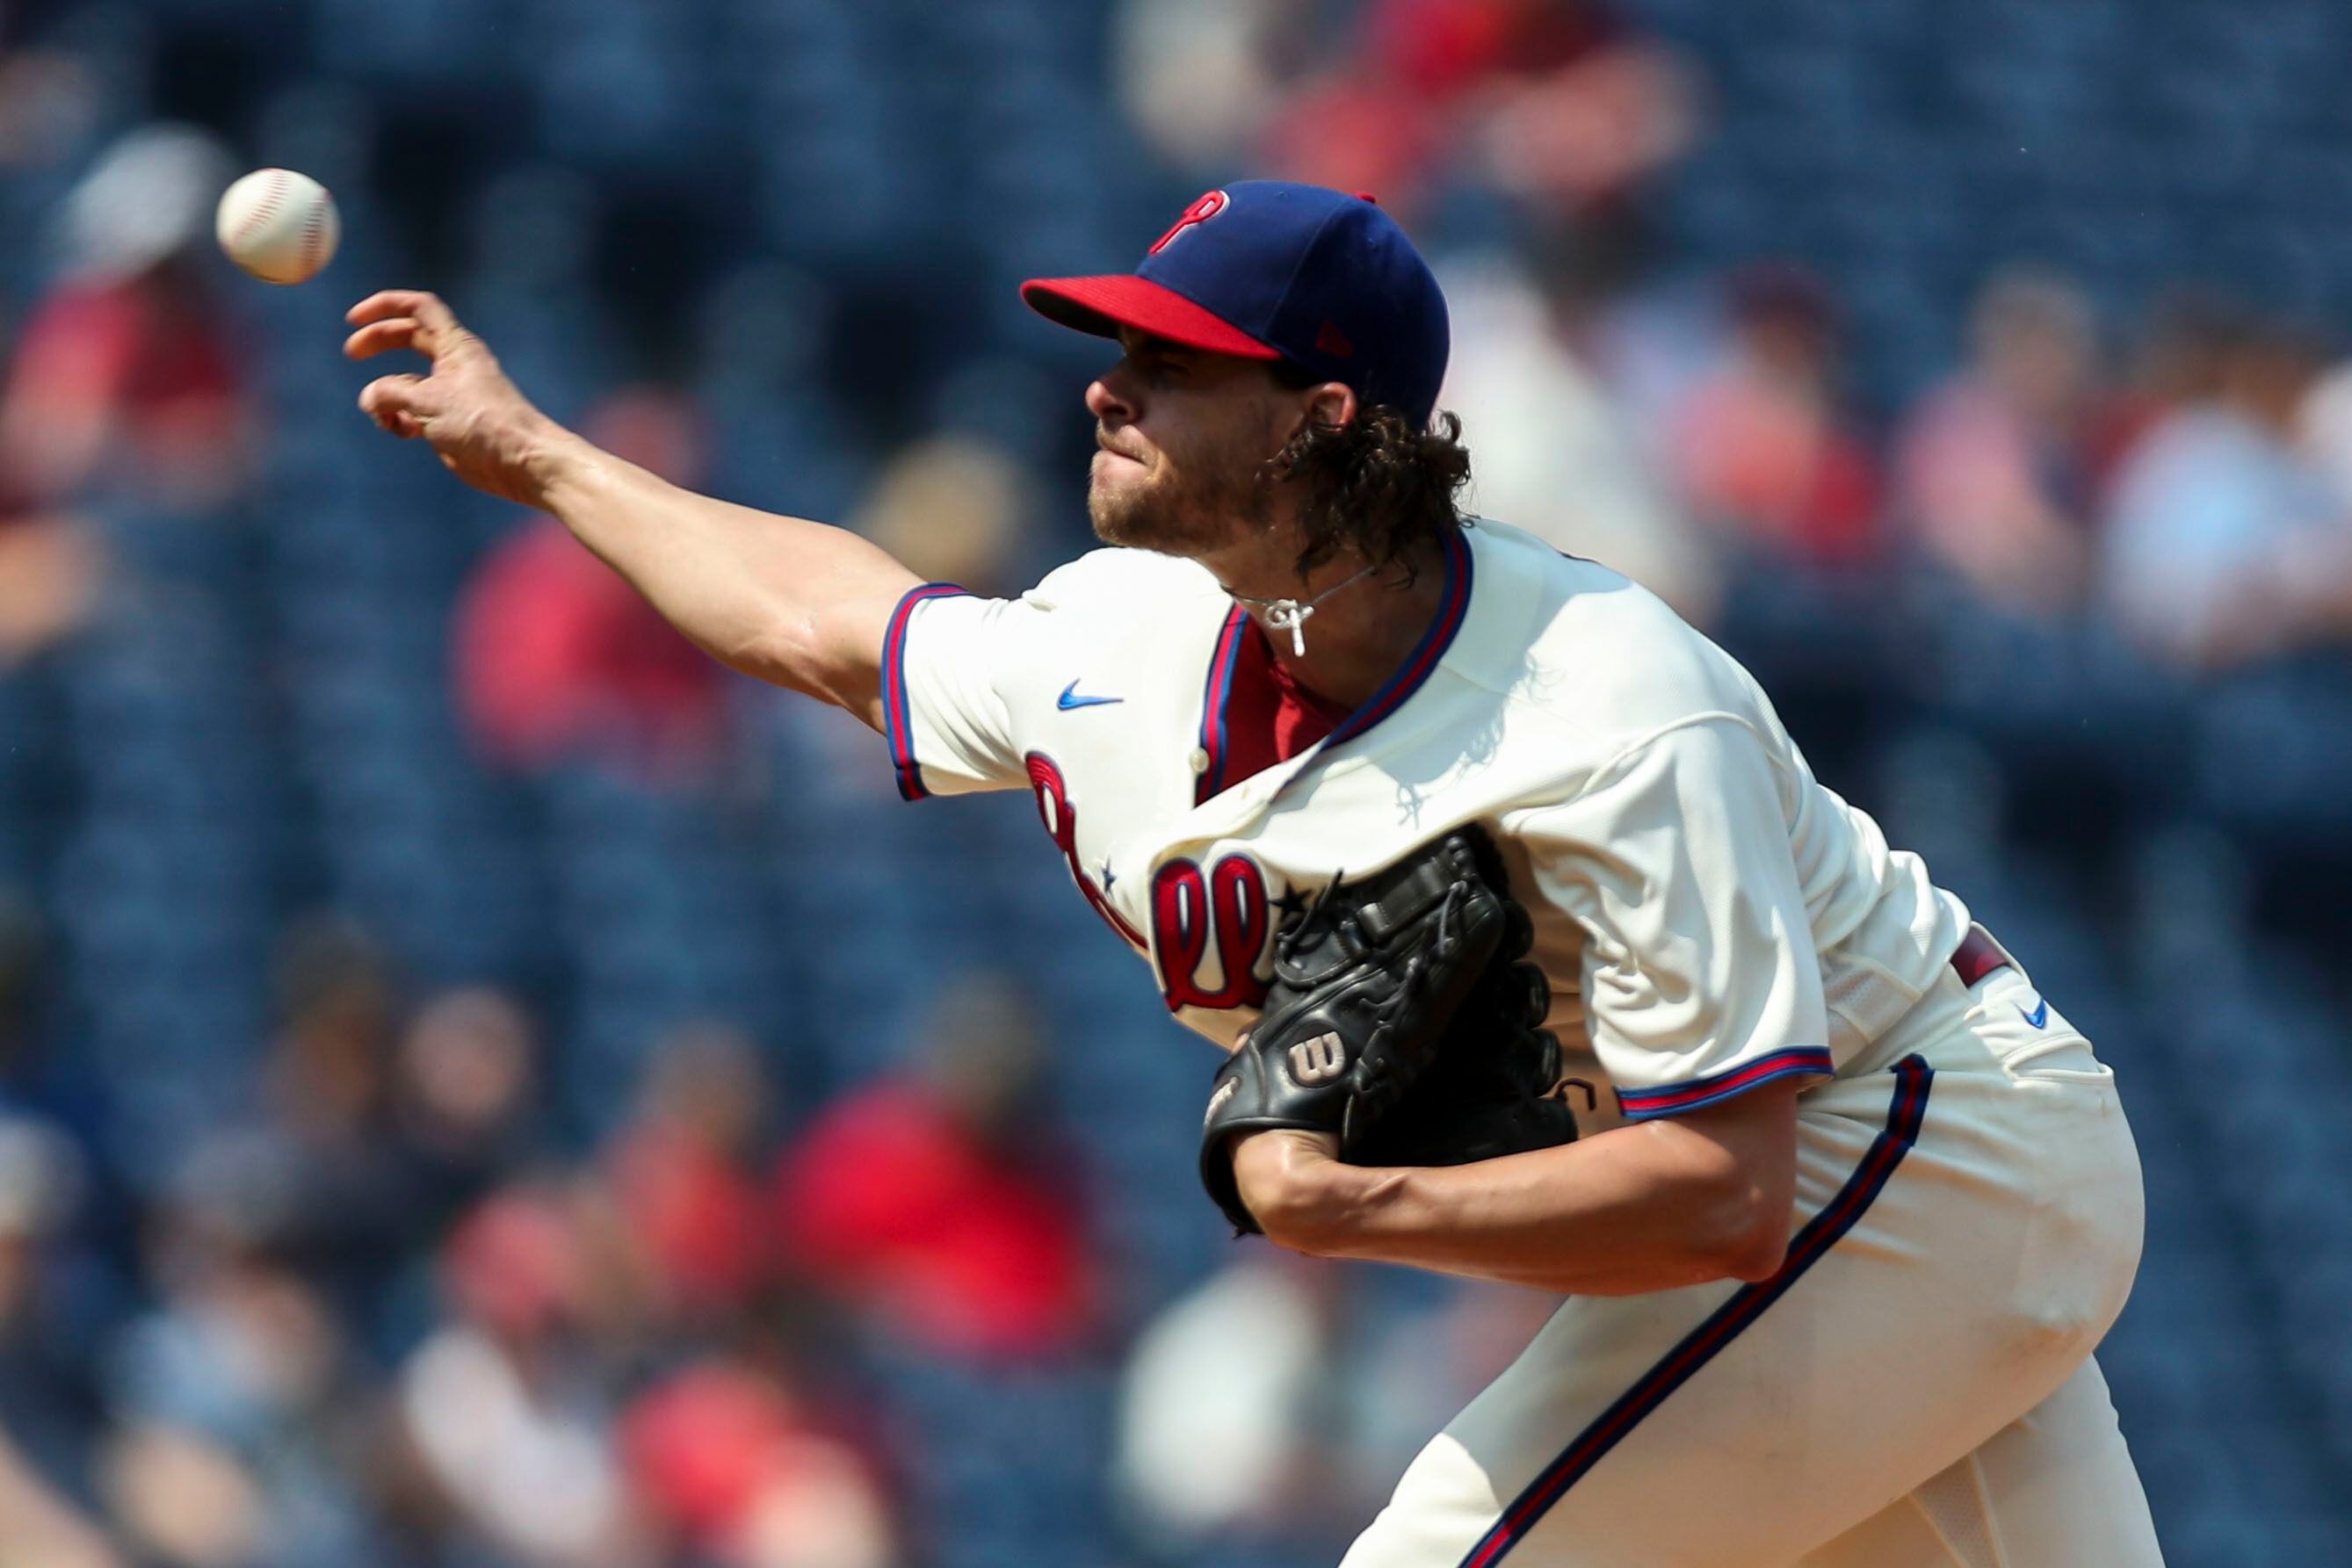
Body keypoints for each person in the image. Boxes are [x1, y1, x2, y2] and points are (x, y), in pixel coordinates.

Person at [344, 180, 2161, 1565]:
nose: (1104, 390)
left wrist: (1349, 1208)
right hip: (1845, 1218)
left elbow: (1724, 1194)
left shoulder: (1610, 704)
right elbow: (835, 623)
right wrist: (543, 456)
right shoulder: (1116, 638)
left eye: (1168, 362)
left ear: (1321, 418)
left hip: (1918, 1138)